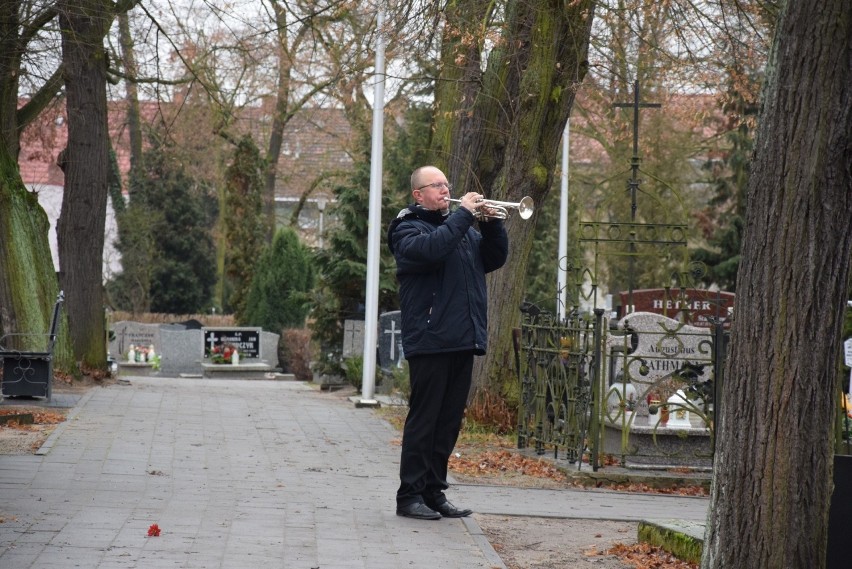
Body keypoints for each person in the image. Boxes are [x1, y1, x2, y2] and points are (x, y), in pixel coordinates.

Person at [387, 165, 509, 520]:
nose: (444, 189)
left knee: (448, 422)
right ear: (418, 194)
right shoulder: (407, 228)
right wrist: (464, 215)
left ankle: (434, 492)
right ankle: (409, 496)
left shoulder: (462, 231)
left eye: (446, 184)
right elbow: (432, 251)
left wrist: (491, 224)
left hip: (461, 337)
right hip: (429, 337)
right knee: (424, 420)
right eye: (435, 185)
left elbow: (493, 258)